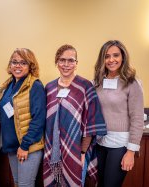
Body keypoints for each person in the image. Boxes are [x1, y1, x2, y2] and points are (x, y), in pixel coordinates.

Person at [43, 44, 107, 187]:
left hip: (76, 150)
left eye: (71, 60)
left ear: (76, 64)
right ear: (56, 62)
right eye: (62, 60)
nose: (66, 64)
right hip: (52, 150)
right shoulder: (49, 87)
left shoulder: (85, 86)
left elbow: (91, 121)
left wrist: (83, 152)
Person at [93, 40, 144, 187]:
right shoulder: (97, 82)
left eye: (116, 55)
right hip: (100, 142)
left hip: (120, 144)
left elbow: (137, 119)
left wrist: (130, 152)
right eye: (107, 56)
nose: (111, 60)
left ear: (123, 57)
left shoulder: (132, 83)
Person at [0, 48, 46, 187]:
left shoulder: (35, 85)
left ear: (30, 65)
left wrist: (24, 146)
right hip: (11, 145)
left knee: (25, 185)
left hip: (27, 146)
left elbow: (38, 119)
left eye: (23, 62)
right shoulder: (8, 85)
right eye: (14, 62)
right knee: (18, 183)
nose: (18, 66)